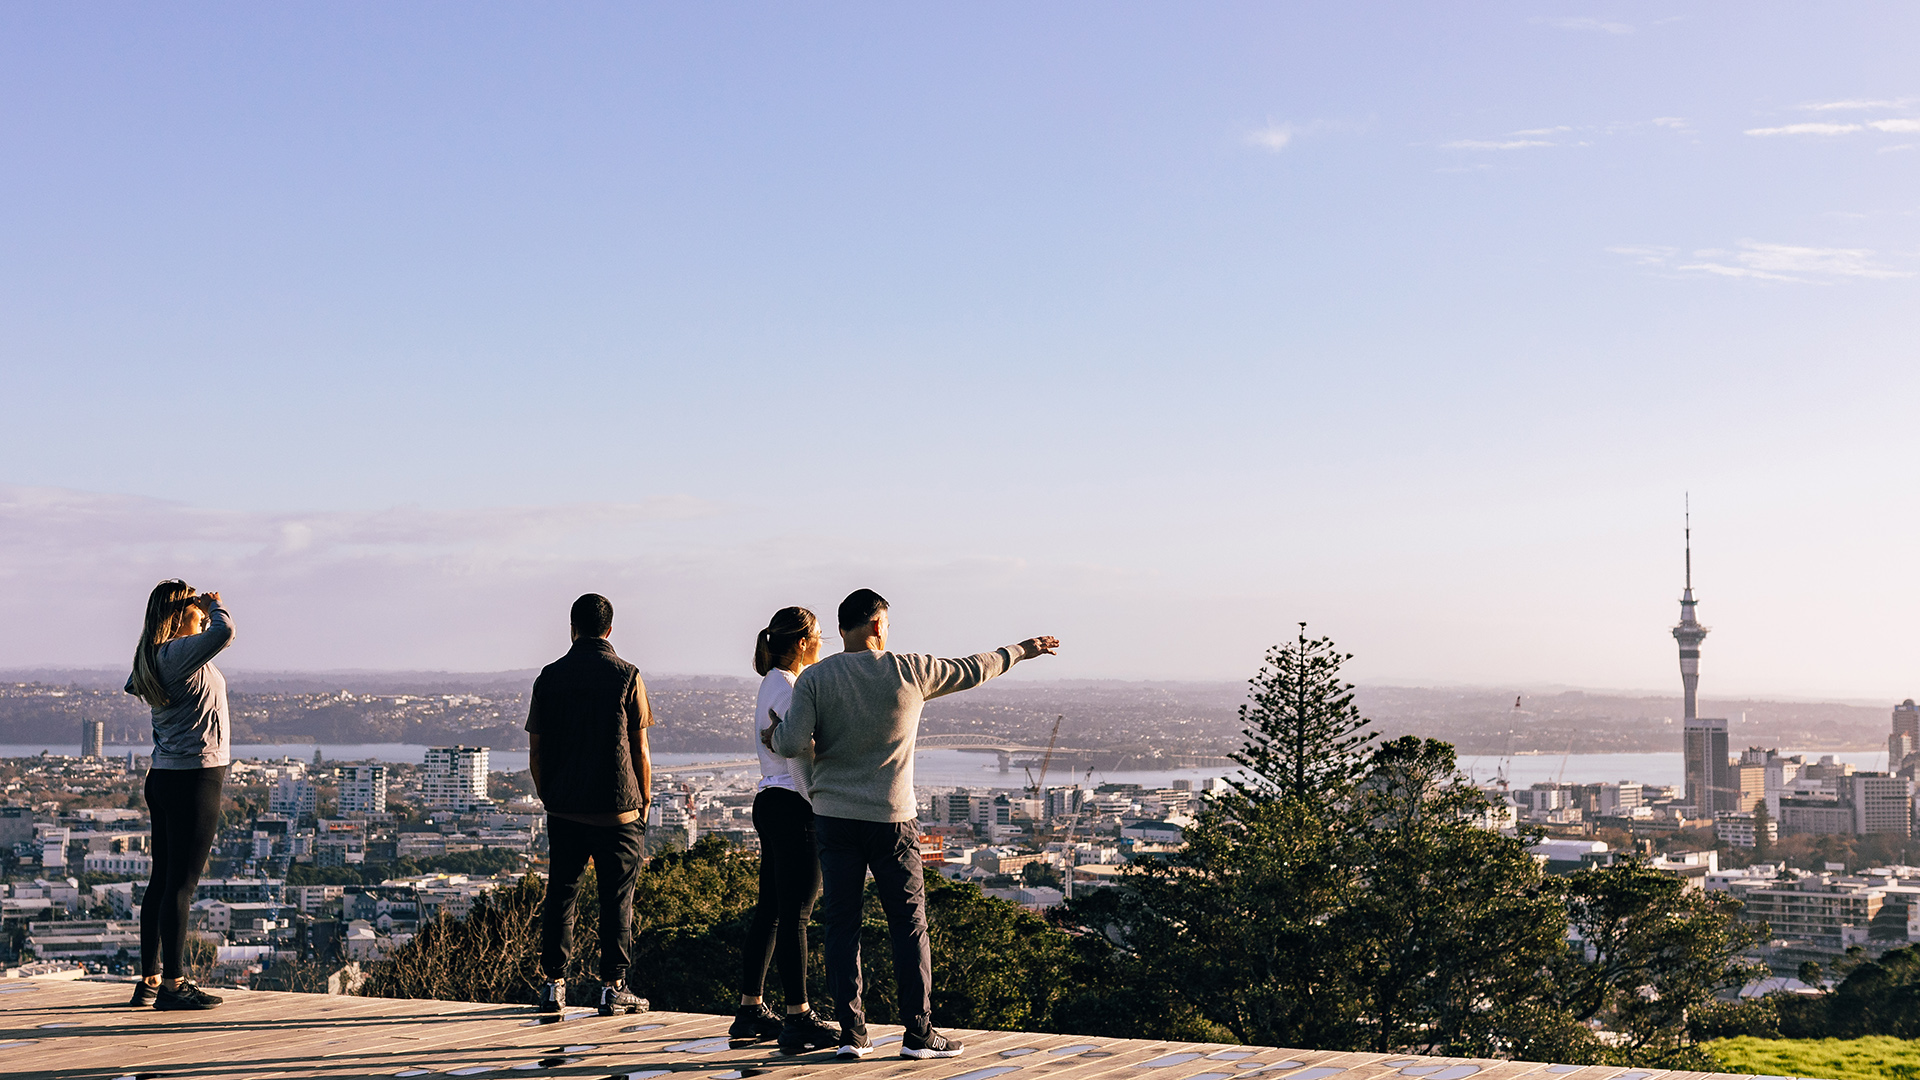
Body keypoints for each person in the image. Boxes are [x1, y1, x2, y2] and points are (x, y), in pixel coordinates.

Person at [768, 588, 1058, 1060]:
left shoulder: (815, 679)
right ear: (879, 625)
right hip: (891, 819)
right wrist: (1024, 649)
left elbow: (793, 741)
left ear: (842, 630)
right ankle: (918, 1033)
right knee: (908, 925)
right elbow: (974, 667)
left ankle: (851, 1035)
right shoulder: (910, 669)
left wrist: (775, 734)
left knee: (841, 925)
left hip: (834, 818)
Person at [525, 593, 654, 1016]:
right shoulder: (627, 675)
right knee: (616, 898)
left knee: (561, 893)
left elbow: (537, 752)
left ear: (572, 628)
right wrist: (645, 800)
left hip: (564, 808)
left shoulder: (549, 677)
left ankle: (552, 985)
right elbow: (640, 748)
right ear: (610, 630)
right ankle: (612, 986)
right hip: (618, 808)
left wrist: (550, 797)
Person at [729, 607, 840, 1054]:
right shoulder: (791, 688)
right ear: (801, 642)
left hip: (769, 802)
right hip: (793, 806)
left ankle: (751, 1008)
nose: (820, 644)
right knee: (796, 915)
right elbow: (805, 746)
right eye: (817, 637)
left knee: (771, 911)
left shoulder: (771, 683)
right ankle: (799, 1016)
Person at [124, 579, 235, 1011]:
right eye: (193, 607)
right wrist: (217, 606)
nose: (202, 612)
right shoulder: (175, 654)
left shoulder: (154, 657)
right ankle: (173, 984)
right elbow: (223, 633)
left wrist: (201, 614)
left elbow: (138, 685)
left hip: (165, 776)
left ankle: (150, 978)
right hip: (195, 779)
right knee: (181, 887)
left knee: (162, 881)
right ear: (176, 615)